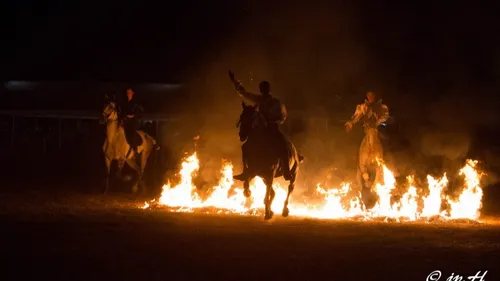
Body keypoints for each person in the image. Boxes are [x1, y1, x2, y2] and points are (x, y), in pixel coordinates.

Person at [228, 70, 291, 181]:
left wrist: (271, 121)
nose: (263, 91)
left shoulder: (275, 102)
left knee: (283, 145)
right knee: (245, 146)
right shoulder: (258, 100)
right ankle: (245, 171)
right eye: (262, 89)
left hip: (272, 128)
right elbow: (243, 92)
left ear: (268, 90)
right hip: (260, 128)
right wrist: (234, 81)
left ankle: (286, 170)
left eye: (264, 89)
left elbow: (282, 115)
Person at [120, 88, 144, 157]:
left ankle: (134, 148)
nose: (128, 94)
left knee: (132, 133)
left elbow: (140, 113)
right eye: (127, 92)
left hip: (133, 122)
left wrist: (133, 115)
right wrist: (122, 118)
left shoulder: (136, 103)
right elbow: (121, 112)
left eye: (129, 92)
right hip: (125, 122)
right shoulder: (124, 103)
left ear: (132, 93)